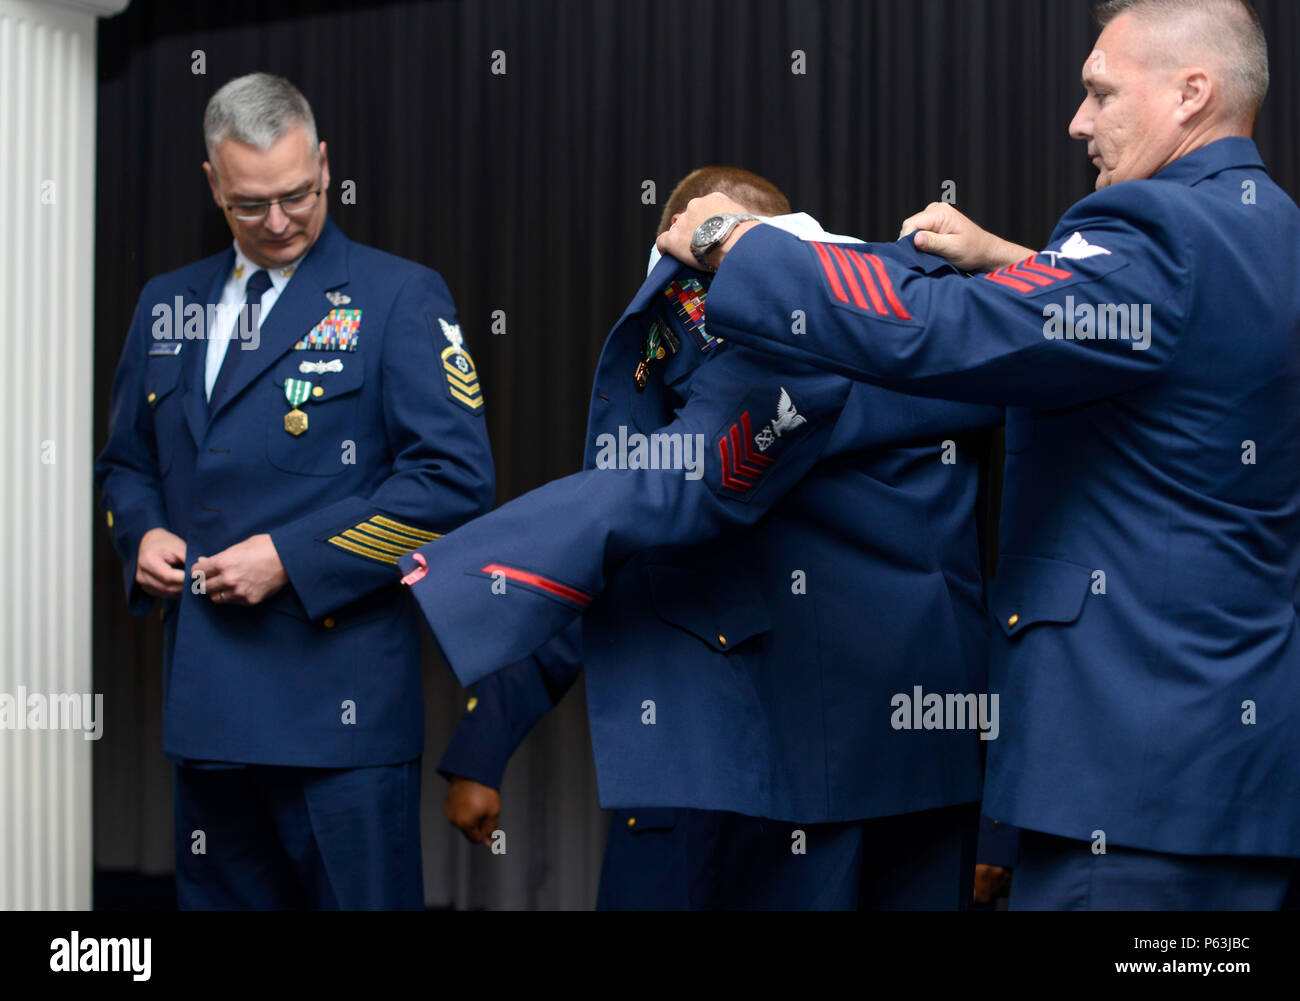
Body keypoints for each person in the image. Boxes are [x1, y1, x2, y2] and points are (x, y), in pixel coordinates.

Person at [659, 0, 1300, 909]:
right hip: (1230, 771)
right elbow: (1166, 348)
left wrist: (745, 247)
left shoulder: (1156, 228)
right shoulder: (1270, 227)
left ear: (1192, 93)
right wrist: (1015, 259)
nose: (1079, 121)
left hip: (1127, 781)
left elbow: (941, 331)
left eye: (1099, 93)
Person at [400, 166, 1004, 908]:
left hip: (797, 763)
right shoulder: (931, 297)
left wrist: (476, 569)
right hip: (920, 753)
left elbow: (675, 485)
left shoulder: (782, 319)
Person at [95, 73, 495, 909]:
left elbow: (454, 483)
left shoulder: (397, 297)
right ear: (212, 182)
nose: (278, 222)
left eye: (298, 195)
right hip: (207, 709)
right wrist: (141, 534)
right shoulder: (165, 304)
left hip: (337, 717)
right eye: (249, 205)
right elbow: (125, 464)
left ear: (323, 164)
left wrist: (289, 556)